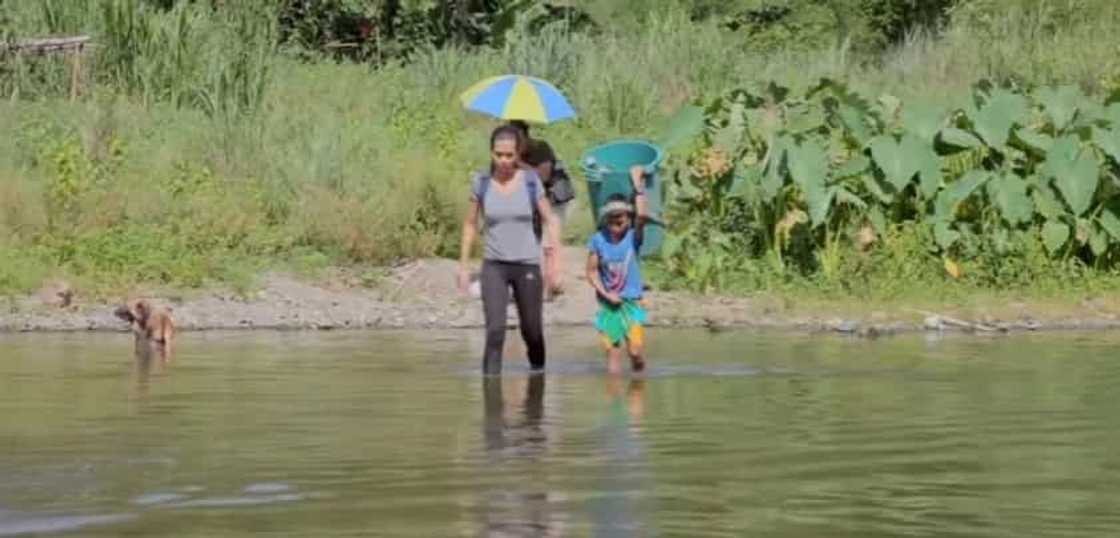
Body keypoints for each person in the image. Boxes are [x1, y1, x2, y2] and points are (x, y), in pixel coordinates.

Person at [459, 124, 561, 375]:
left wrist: (555, 265)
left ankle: (538, 377)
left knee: (532, 331)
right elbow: (470, 224)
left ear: (518, 154)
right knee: (495, 331)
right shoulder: (481, 182)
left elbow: (551, 220)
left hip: (526, 264)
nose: (504, 161)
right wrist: (463, 266)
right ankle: (491, 401)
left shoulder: (530, 181)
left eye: (509, 155)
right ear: (491, 153)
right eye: (498, 155)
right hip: (494, 265)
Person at [585, 165, 649, 374]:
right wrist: (606, 294)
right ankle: (615, 403)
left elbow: (642, 217)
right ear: (605, 218)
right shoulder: (598, 240)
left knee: (635, 352)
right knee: (613, 356)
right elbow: (591, 272)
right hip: (609, 305)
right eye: (611, 216)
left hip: (631, 303)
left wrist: (637, 184)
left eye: (620, 216)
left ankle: (638, 382)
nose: (616, 220)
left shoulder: (633, 238)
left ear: (628, 218)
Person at [509, 120, 575, 299]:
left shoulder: (541, 148)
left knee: (550, 243)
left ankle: (551, 285)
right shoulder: (510, 153)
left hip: (556, 197)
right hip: (536, 199)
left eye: (516, 139)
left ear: (524, 137)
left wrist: (519, 163)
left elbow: (542, 176)